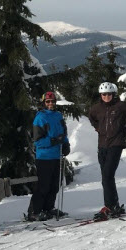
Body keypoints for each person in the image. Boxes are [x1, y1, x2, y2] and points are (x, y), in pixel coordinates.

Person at [88, 82, 126, 220]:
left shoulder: (121, 106)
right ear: (101, 95)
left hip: (116, 143)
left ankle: (109, 206)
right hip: (102, 145)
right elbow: (91, 117)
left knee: (107, 175)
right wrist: (98, 128)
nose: (106, 96)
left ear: (113, 94)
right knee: (107, 177)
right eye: (104, 94)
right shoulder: (96, 108)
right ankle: (114, 204)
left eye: (109, 94)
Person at [29, 91, 71, 221]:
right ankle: (34, 211)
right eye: (48, 102)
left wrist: (65, 144)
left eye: (53, 101)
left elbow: (63, 133)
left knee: (54, 185)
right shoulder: (40, 118)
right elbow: (37, 141)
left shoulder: (58, 115)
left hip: (57, 155)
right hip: (44, 157)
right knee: (43, 185)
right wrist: (53, 141)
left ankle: (48, 208)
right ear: (43, 103)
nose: (51, 104)